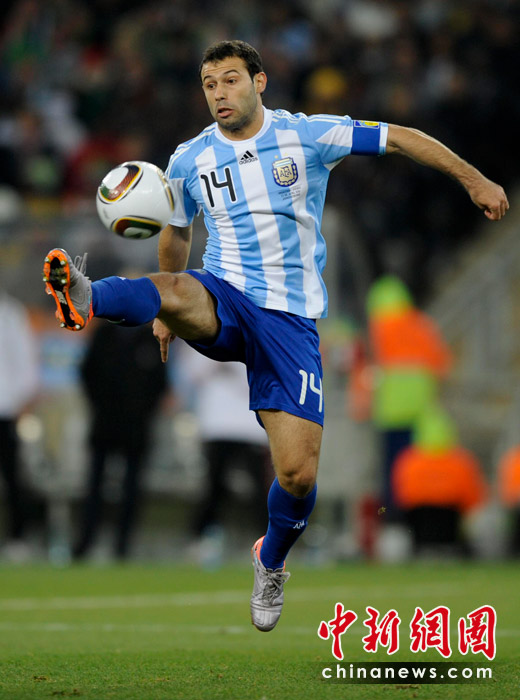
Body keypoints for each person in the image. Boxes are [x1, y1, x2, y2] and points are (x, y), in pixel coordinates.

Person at [42, 40, 509, 631]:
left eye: (230, 80)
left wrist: (474, 179)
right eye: (209, 85)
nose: (219, 94)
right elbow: (176, 236)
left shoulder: (307, 135)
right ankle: (86, 295)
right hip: (225, 296)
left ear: (259, 82)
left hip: (290, 321)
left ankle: (271, 559)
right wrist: (163, 311)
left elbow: (399, 137)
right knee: (174, 285)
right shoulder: (189, 159)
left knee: (297, 474)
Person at [74, 319, 168, 561]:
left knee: (132, 489)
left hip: (136, 427)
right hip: (104, 422)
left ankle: (123, 546)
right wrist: (100, 405)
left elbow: (160, 383)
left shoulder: (150, 338)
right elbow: (87, 372)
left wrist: (142, 412)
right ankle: (86, 541)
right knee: (94, 485)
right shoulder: (104, 335)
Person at [365, 275, 453, 520]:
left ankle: (391, 517)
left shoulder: (377, 329)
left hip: (390, 413)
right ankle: (414, 518)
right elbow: (442, 364)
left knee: (391, 470)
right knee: (417, 470)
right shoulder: (422, 325)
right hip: (421, 412)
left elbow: (368, 370)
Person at [392, 405, 488, 557]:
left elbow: (402, 498)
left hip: (419, 532)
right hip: (452, 529)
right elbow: (474, 499)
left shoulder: (408, 461)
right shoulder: (462, 461)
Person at [0, 289, 39, 559]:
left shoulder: (10, 314)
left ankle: (18, 537)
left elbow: (25, 360)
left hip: (5, 408)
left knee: (12, 476)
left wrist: (22, 402)